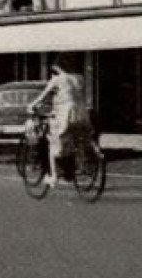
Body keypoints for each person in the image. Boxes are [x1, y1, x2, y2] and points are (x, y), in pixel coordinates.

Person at [28, 55, 93, 189]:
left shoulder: (57, 79)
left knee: (53, 145)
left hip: (67, 115)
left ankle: (54, 177)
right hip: (82, 114)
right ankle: (84, 166)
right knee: (79, 140)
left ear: (58, 67)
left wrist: (31, 106)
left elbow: (43, 96)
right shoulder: (79, 78)